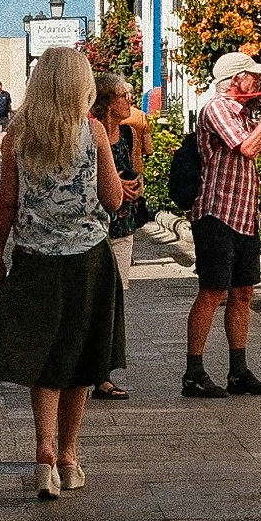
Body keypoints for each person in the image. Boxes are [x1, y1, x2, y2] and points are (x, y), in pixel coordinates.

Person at [0, 46, 128, 499]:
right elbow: (113, 200)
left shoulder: (19, 135)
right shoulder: (94, 132)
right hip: (88, 258)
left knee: (44, 358)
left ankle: (43, 453)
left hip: (35, 259)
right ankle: (69, 455)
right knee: (82, 357)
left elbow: (5, 205)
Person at [183, 48, 261, 400]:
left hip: (244, 215)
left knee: (243, 293)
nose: (260, 81)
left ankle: (238, 370)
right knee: (213, 291)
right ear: (236, 80)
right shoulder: (216, 109)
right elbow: (247, 147)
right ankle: (194, 372)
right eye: (253, 75)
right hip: (216, 213)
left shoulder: (245, 113)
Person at [91, 71, 150, 399]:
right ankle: (87, 371)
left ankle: (103, 375)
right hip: (94, 228)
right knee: (93, 302)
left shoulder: (127, 134)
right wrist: (113, 187)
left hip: (122, 226)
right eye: (123, 96)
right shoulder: (89, 133)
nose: (130, 100)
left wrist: (133, 186)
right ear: (107, 102)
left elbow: (132, 169)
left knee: (113, 301)